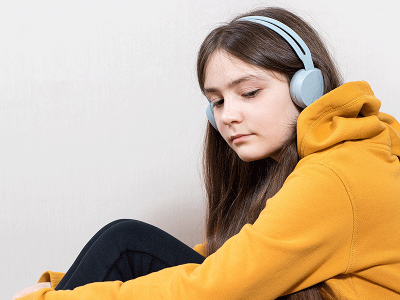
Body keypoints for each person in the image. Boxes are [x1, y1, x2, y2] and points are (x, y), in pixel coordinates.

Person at [12, 6, 400, 300]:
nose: (228, 116)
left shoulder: (336, 175)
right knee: (128, 246)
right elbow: (227, 256)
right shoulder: (331, 160)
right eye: (216, 101)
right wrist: (60, 288)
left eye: (249, 92)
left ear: (307, 89)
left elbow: (217, 287)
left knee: (126, 243)